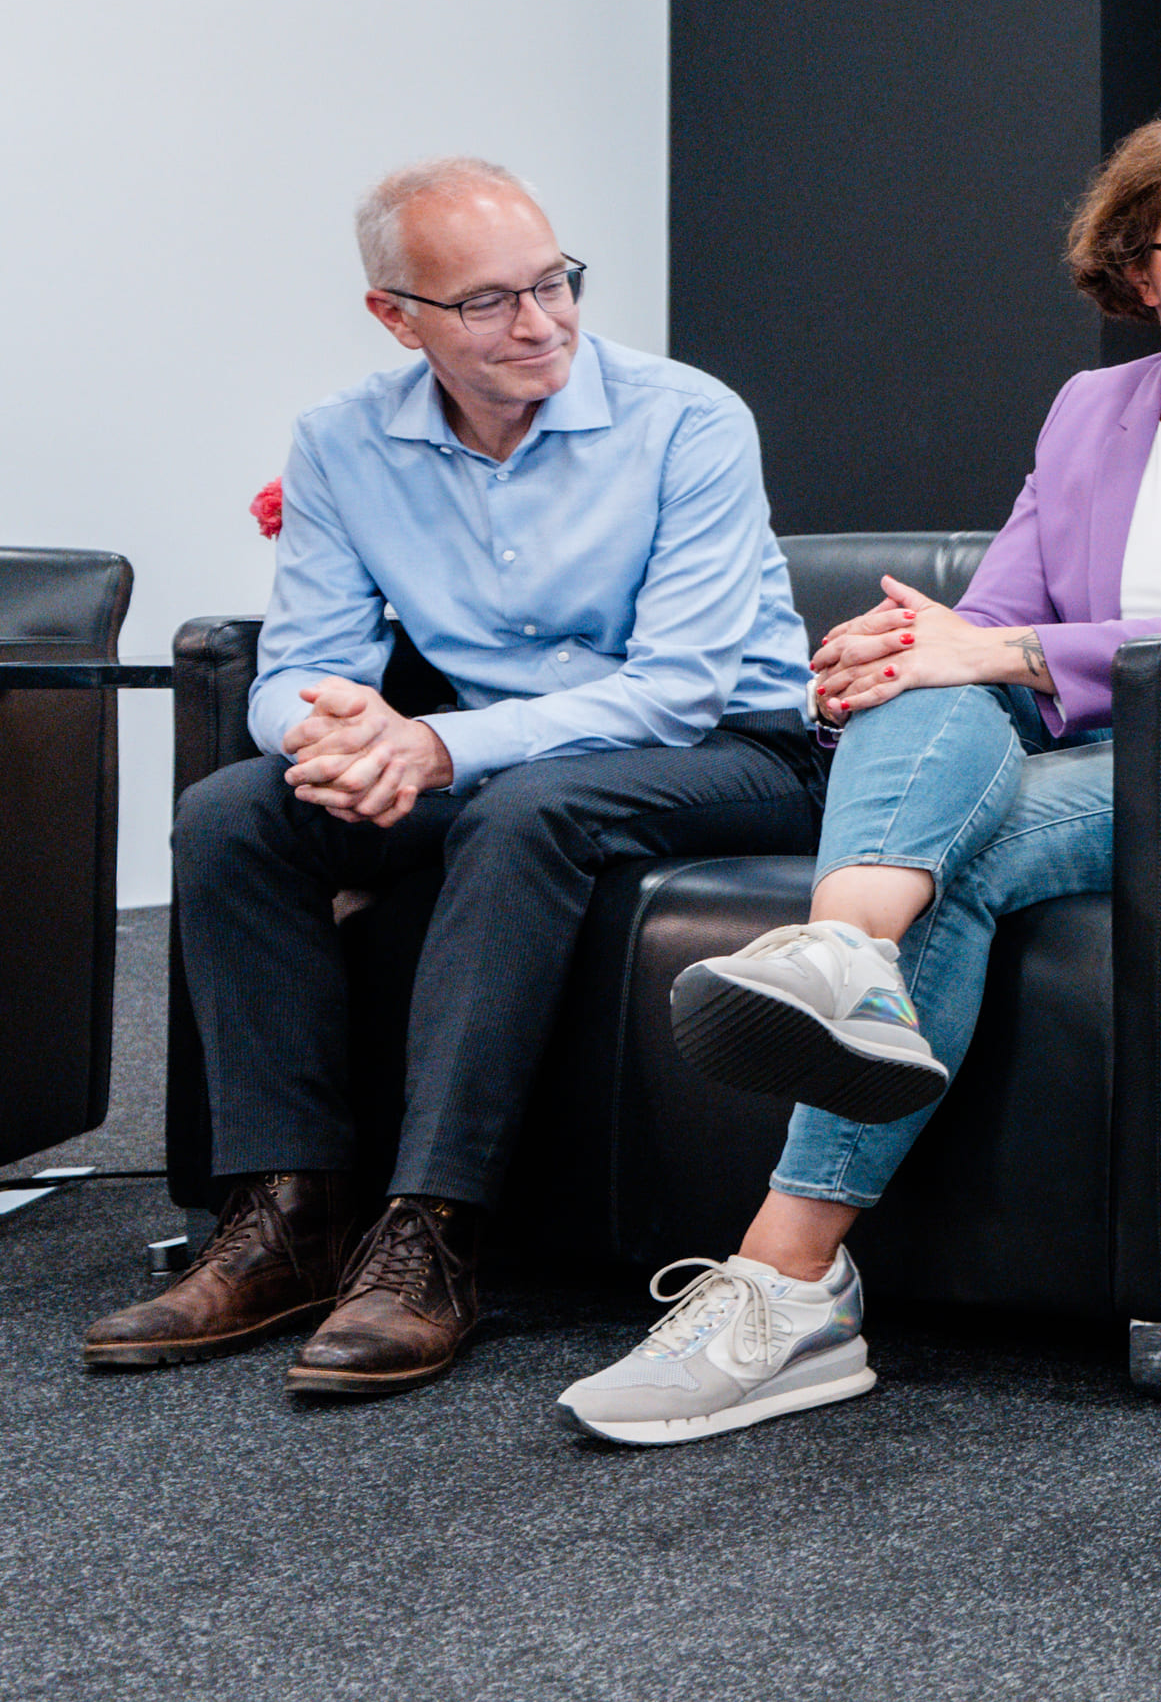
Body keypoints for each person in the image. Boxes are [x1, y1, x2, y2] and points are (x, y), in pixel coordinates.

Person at [568, 112, 1161, 1444]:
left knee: (962, 795)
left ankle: (791, 1258)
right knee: (937, 711)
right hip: (1080, 748)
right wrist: (911, 645)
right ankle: (825, 1083)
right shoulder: (1094, 408)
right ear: (1140, 271)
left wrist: (989, 643)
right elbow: (1003, 606)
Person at [87, 163, 823, 1400]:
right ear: (396, 316)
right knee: (234, 816)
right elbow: (304, 662)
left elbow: (679, 686)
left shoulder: (687, 415)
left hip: (734, 750)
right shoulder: (341, 439)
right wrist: (328, 732)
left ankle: (433, 1231)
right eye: (487, 302)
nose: (539, 323)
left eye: (553, 283)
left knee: (519, 807)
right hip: (499, 751)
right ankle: (286, 1214)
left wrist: (434, 748)